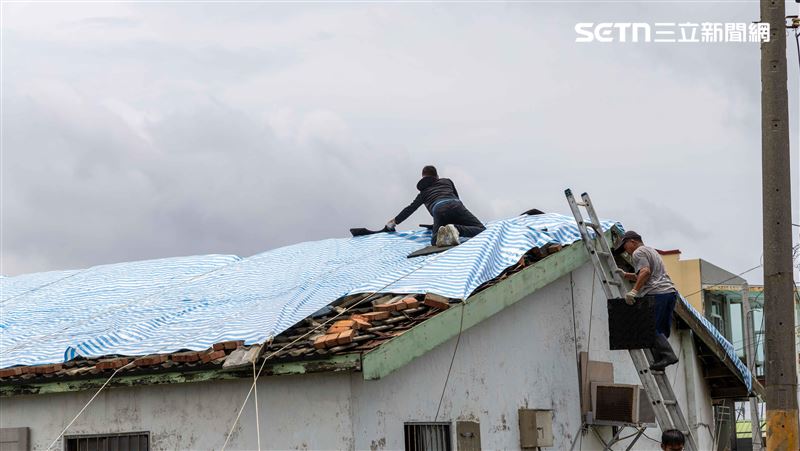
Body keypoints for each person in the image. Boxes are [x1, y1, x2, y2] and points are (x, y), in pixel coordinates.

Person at [613, 230, 679, 371]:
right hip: (669, 293)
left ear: (632, 241)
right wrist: (626, 275)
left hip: (656, 294)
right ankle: (661, 361)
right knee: (660, 330)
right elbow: (647, 274)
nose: (626, 251)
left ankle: (668, 355)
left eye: (625, 246)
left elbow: (645, 272)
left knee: (648, 328)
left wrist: (634, 291)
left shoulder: (638, 252)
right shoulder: (651, 251)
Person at [387, 165, 486, 246]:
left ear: (423, 178)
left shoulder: (423, 194)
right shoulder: (447, 181)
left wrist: (394, 222)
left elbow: (410, 209)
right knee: (481, 229)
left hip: (439, 210)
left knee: (435, 241)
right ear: (437, 176)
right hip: (456, 204)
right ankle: (456, 228)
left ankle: (453, 229)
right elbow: (456, 198)